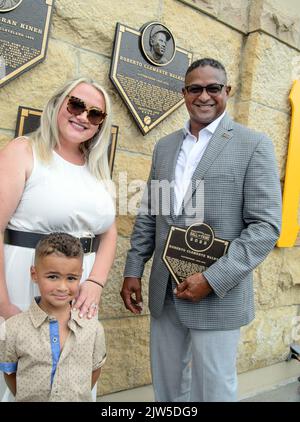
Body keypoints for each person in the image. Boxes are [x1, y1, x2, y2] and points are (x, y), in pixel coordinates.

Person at [121, 58, 282, 402]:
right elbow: (152, 212)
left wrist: (212, 278)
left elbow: (265, 227)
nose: (204, 96)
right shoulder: (165, 146)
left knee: (213, 390)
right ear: (184, 93)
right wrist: (133, 269)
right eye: (195, 88)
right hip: (167, 290)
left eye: (214, 88)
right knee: (167, 389)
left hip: (217, 293)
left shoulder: (253, 145)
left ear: (228, 91)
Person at [0, 77, 116, 401]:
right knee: (20, 379)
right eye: (76, 105)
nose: (83, 116)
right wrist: (3, 303)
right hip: (25, 281)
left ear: (99, 125)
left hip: (77, 293)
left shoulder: (98, 168)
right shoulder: (24, 151)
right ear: (57, 104)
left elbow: (109, 231)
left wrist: (95, 282)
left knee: (73, 379)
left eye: (94, 114)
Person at [0, 232, 106, 402]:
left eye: (71, 278)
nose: (62, 287)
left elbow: (95, 371)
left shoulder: (93, 328)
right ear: (34, 274)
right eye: (52, 277)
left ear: (80, 275)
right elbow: (10, 374)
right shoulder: (13, 328)